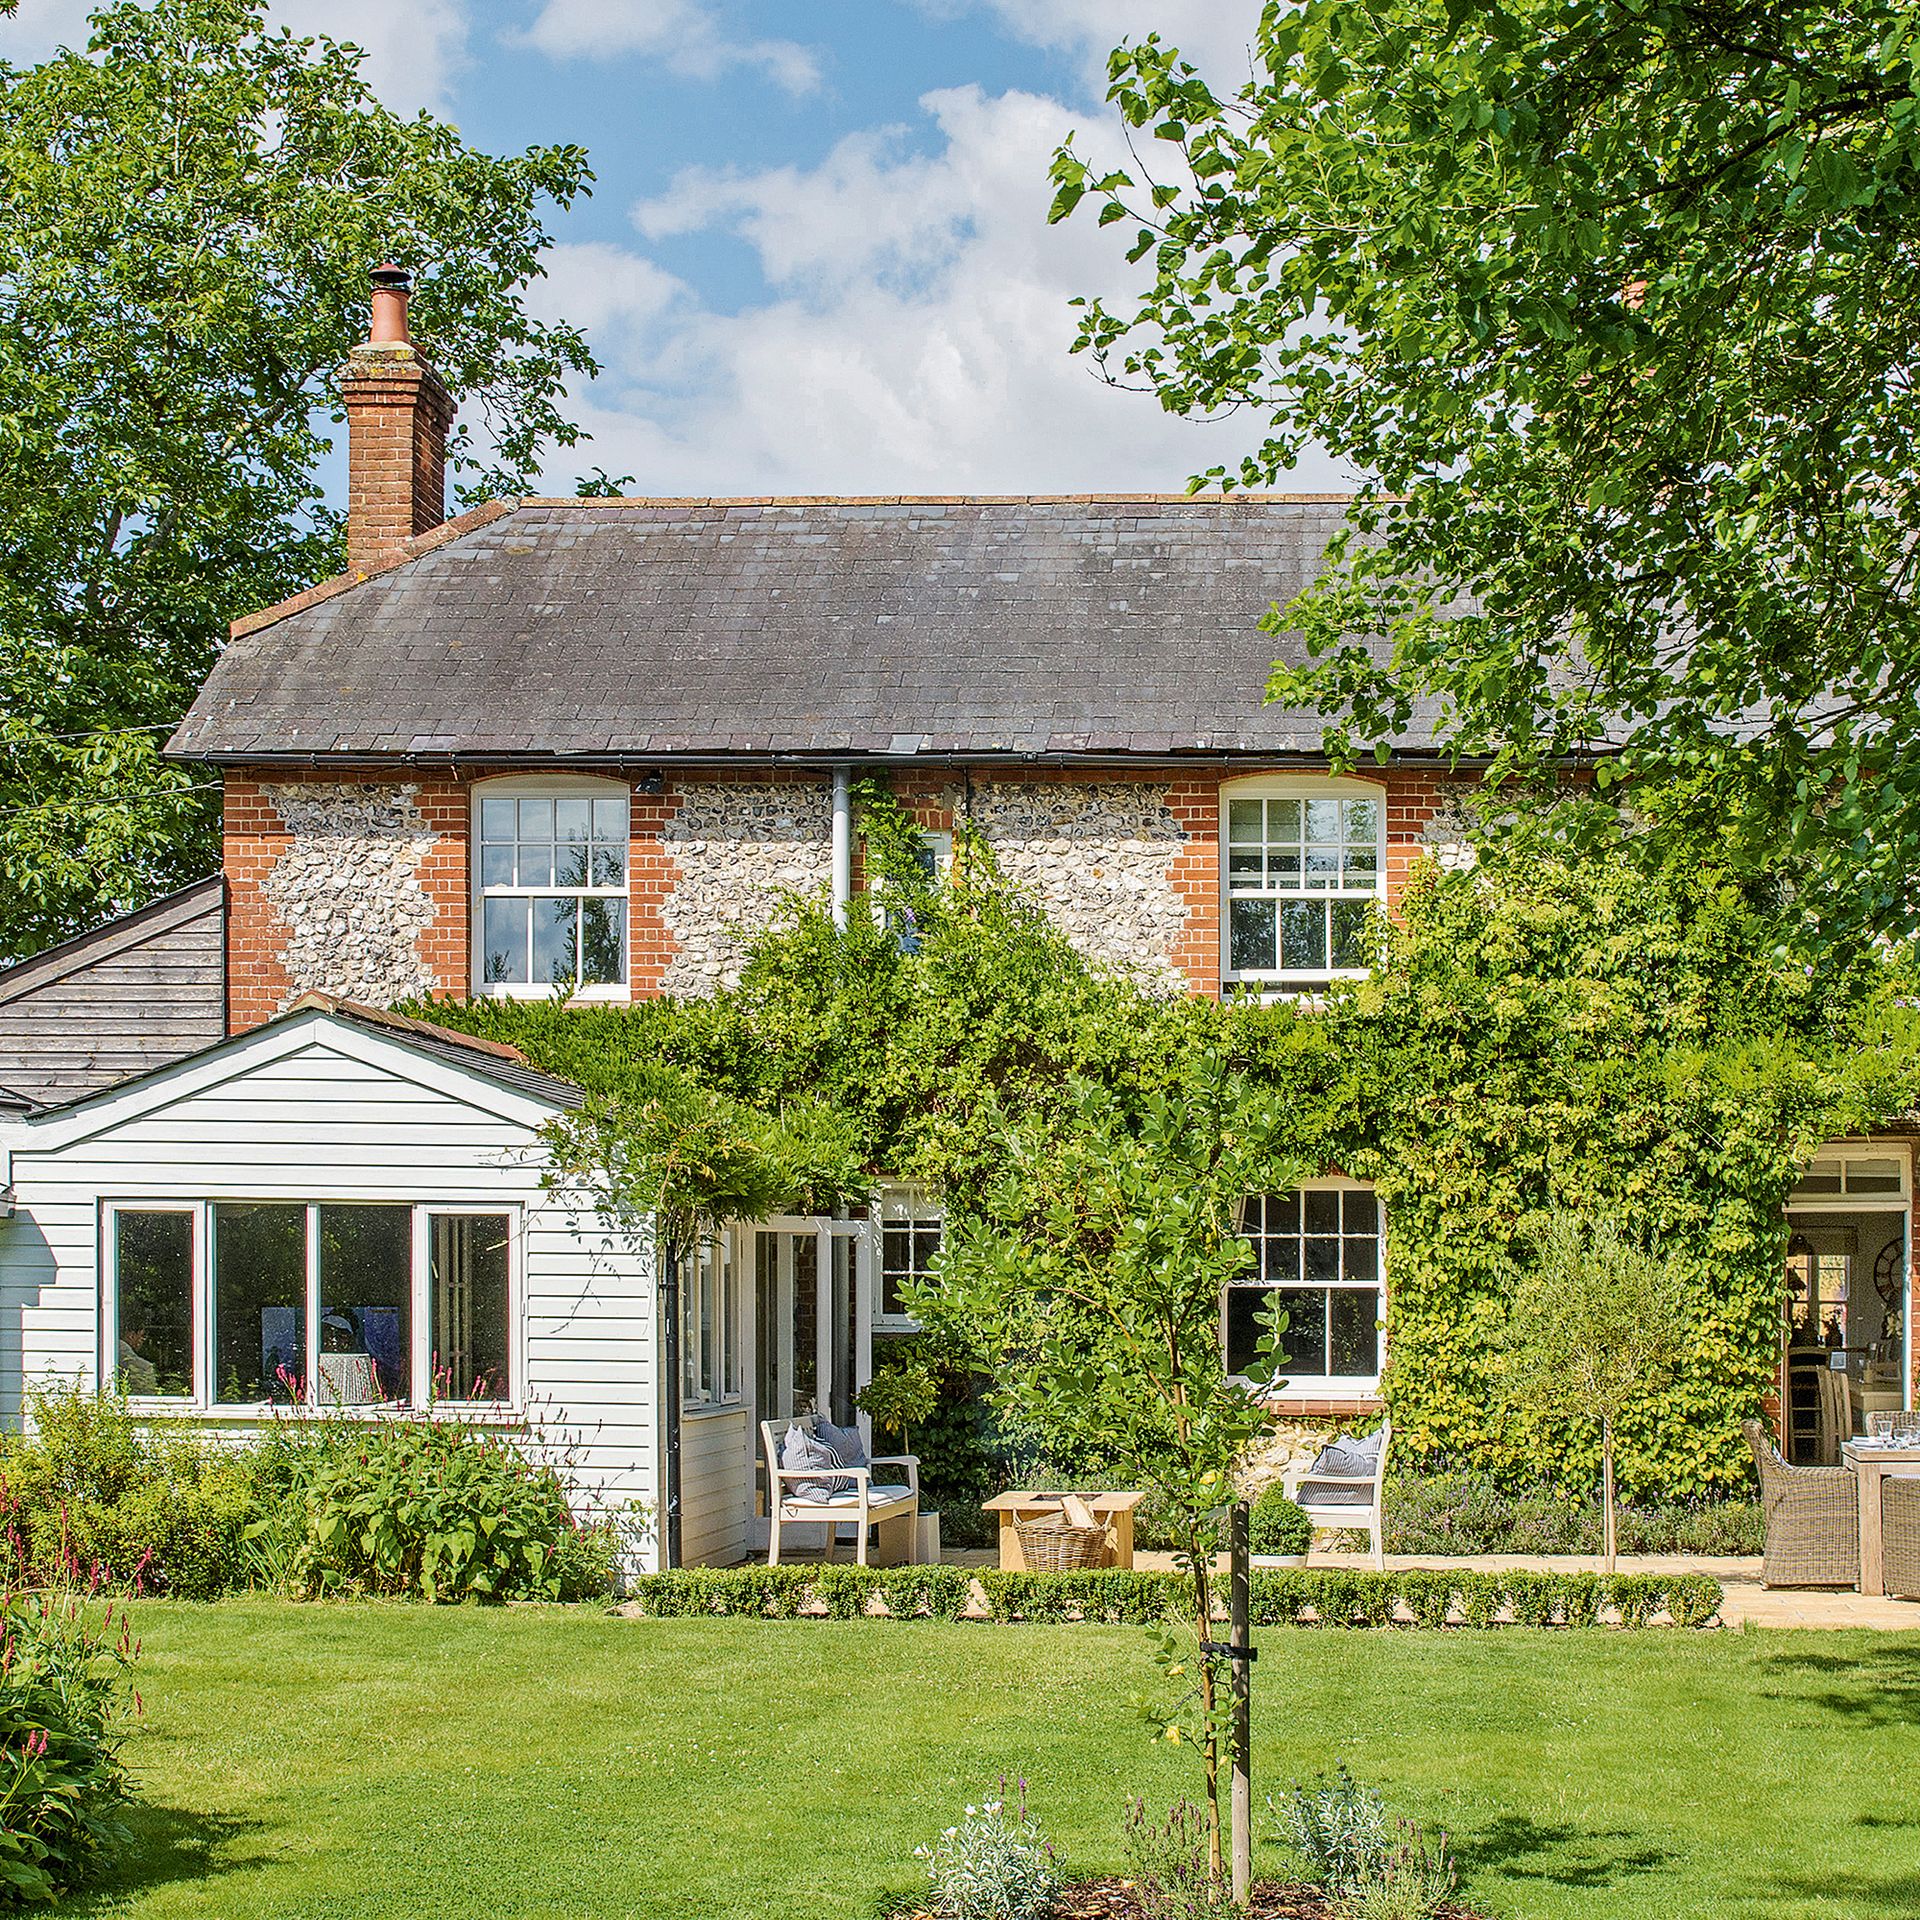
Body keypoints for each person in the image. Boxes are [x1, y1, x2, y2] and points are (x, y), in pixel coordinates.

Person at [116, 1324, 158, 1396]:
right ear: (131, 1335)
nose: (143, 1341)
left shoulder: (114, 1347)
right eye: (142, 1336)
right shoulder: (121, 1349)